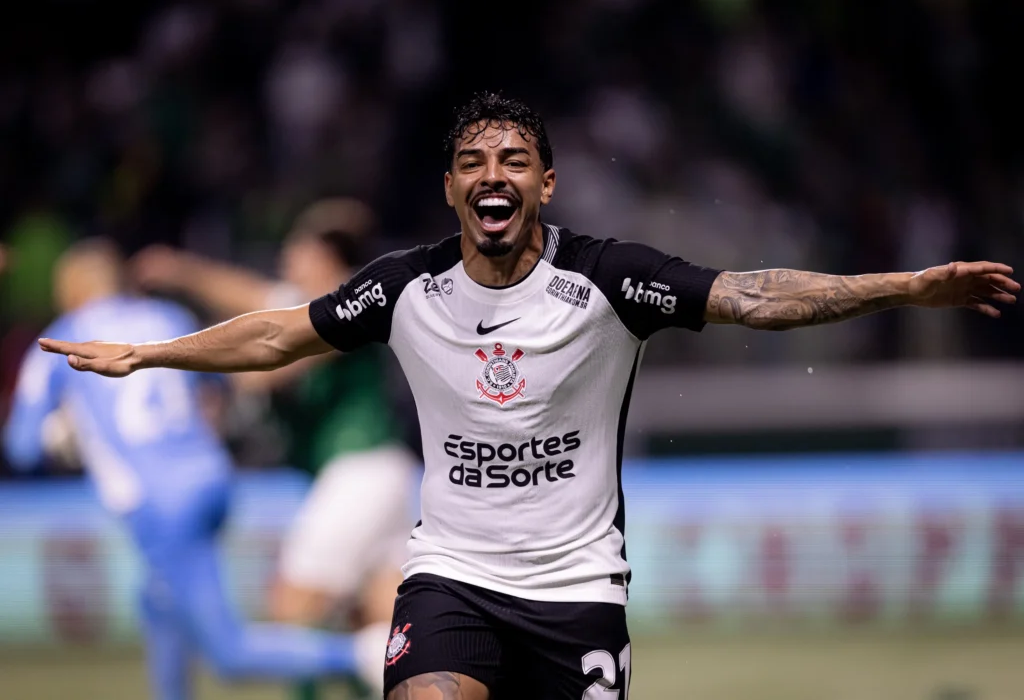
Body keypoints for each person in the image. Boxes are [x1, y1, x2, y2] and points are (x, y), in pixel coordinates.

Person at [37, 93, 1019, 700]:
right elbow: (275, 332)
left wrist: (904, 287)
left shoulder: (609, 277)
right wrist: (150, 354)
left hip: (578, 589)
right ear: (451, 188)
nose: (492, 174)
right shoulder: (405, 285)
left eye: (512, 159)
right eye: (473, 162)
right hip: (451, 575)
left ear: (545, 182)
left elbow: (753, 296)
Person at [2, 239, 372, 700]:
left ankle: (364, 656)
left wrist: (65, 434)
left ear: (71, 292)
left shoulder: (63, 338)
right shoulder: (167, 318)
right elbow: (218, 389)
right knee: (158, 603)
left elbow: (21, 448)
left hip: (158, 502)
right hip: (211, 477)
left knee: (229, 653)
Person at [132, 198, 417, 699]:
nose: (288, 259)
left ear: (326, 259)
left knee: (292, 610)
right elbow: (243, 293)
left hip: (360, 472)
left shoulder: (346, 307)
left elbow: (278, 364)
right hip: (383, 477)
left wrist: (205, 379)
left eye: (298, 250)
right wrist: (181, 271)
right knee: (379, 627)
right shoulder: (301, 304)